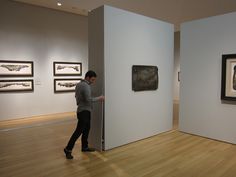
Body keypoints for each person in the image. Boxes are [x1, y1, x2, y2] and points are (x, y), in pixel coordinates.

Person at [64, 70, 104, 159]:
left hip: (83, 110)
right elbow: (88, 99)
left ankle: (84, 147)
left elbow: (77, 97)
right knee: (78, 131)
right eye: (92, 80)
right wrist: (99, 98)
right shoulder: (85, 86)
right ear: (87, 77)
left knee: (86, 129)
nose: (93, 82)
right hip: (84, 112)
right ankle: (68, 149)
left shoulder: (79, 84)